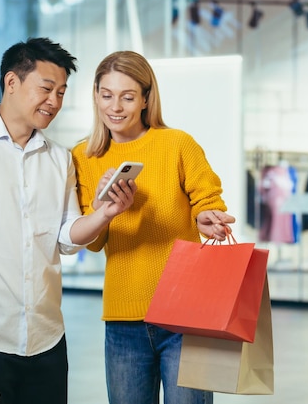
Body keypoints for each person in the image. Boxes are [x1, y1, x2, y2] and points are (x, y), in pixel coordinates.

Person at [0, 38, 136, 404]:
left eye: (62, 93)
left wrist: (105, 214)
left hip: (46, 338)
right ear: (11, 82)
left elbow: (66, 237)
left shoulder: (59, 159)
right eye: (46, 89)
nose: (54, 102)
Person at [71, 50, 236, 404]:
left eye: (128, 97)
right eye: (106, 94)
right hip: (123, 319)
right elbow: (94, 242)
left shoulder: (177, 144)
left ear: (146, 98)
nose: (115, 106)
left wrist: (206, 216)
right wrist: (104, 208)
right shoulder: (83, 157)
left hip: (184, 315)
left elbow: (206, 198)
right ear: (96, 95)